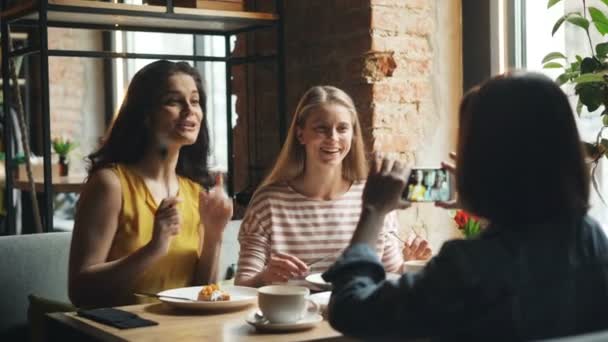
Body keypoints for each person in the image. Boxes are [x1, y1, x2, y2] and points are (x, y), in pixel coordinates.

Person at [323, 72, 608, 340]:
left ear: (482, 162)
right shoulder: (591, 239)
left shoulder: (466, 269)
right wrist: (487, 207)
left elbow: (350, 310)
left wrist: (374, 211)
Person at [68, 60, 233, 308]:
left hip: (182, 332)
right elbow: (80, 292)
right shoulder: (110, 185)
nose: (190, 110)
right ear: (145, 114)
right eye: (174, 101)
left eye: (195, 101)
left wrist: (214, 236)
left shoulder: (195, 192)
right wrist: (154, 248)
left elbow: (201, 295)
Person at [235, 85, 432, 288]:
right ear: (300, 134)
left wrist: (410, 264)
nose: (333, 138)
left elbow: (390, 274)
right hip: (293, 318)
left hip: (356, 316)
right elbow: (242, 286)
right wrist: (265, 277)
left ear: (353, 135)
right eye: (321, 128)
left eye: (342, 128)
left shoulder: (375, 197)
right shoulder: (267, 203)